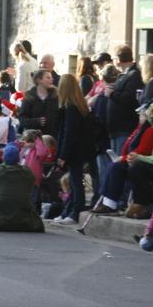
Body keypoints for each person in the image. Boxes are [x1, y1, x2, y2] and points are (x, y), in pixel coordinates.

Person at [51, 73, 94, 225]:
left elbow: (69, 133)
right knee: (75, 182)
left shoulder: (70, 108)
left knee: (75, 183)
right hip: (80, 150)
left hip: (74, 151)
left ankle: (75, 212)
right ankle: (69, 211)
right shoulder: (79, 106)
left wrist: (62, 155)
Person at [106, 45, 144, 155]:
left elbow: (129, 98)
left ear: (118, 59)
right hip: (116, 128)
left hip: (124, 128)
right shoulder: (124, 74)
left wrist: (112, 94)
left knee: (120, 160)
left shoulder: (134, 75)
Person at [19, 69, 60, 138]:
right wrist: (36, 121)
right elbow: (22, 119)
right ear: (39, 80)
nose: (52, 80)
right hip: (34, 139)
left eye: (51, 77)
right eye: (48, 77)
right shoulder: (29, 97)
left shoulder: (56, 96)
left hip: (53, 138)